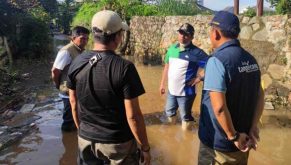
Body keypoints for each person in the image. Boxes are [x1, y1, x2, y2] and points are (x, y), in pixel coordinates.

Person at [66, 10, 151, 165]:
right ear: (118, 37)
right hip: (118, 143)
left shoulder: (76, 63)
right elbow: (133, 116)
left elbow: (73, 103)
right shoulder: (125, 68)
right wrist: (145, 147)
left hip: (85, 140)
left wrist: (82, 131)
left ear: (93, 33)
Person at [198, 11, 265, 164]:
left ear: (215, 33)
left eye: (210, 31)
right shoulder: (251, 60)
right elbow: (260, 96)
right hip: (244, 141)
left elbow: (219, 108)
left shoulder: (217, 60)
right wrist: (253, 127)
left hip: (220, 146)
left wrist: (233, 135)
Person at [159, 23, 208, 130]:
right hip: (171, 91)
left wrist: (199, 78)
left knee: (185, 118)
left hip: (186, 93)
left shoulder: (197, 53)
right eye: (181, 33)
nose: (182, 36)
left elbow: (211, 65)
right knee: (169, 114)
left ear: (191, 37)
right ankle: (171, 138)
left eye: (186, 34)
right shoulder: (172, 49)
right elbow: (167, 66)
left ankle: (186, 136)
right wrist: (162, 83)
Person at [51, 26, 90, 132]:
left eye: (87, 39)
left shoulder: (80, 50)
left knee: (77, 114)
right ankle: (67, 140)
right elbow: (55, 71)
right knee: (68, 119)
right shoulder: (66, 51)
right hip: (67, 90)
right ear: (73, 38)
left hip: (77, 89)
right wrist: (58, 84)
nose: (85, 41)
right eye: (82, 38)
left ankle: (75, 136)